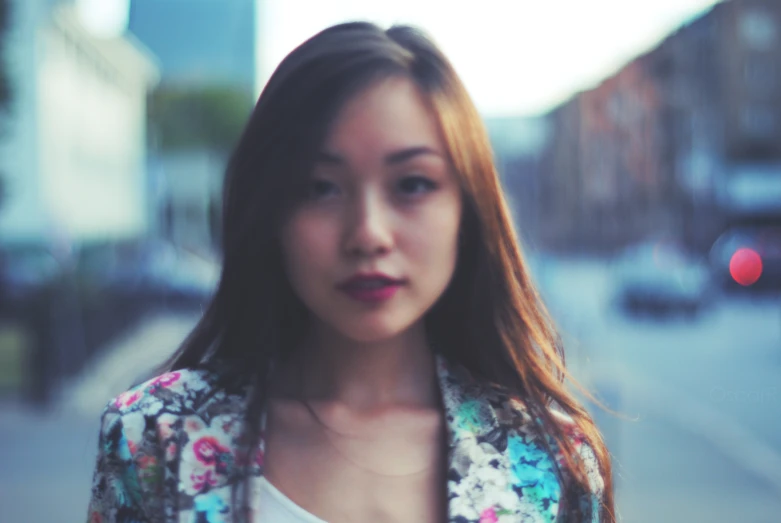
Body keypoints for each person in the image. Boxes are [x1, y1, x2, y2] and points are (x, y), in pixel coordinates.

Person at [86, 21, 614, 523]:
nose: (368, 233)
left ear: (467, 210)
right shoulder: (152, 438)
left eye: (411, 184)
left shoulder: (553, 458)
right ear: (270, 213)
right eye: (320, 187)